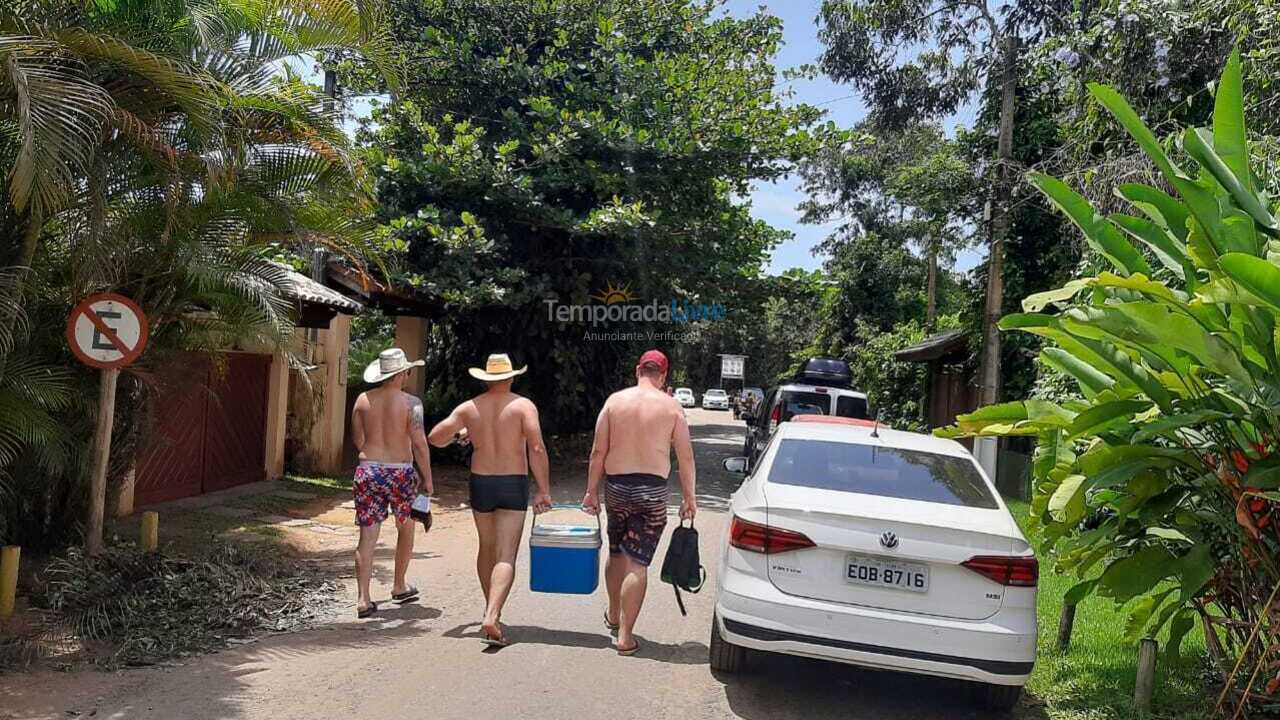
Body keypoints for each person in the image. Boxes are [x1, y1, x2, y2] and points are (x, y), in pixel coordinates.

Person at [429, 353, 552, 647]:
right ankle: (493, 614)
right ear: (510, 377)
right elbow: (536, 447)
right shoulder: (523, 406)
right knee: (506, 554)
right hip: (512, 481)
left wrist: (461, 434)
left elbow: (435, 437)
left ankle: (489, 610)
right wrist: (544, 489)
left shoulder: (470, 408)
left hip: (481, 482)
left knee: (486, 547)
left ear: (486, 379)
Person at [583, 349, 696, 656]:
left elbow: (597, 452)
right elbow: (685, 456)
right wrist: (689, 497)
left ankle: (613, 612)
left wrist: (591, 491)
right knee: (638, 562)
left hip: (617, 487)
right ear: (663, 376)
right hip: (652, 492)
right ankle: (626, 636)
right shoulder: (672, 408)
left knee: (617, 552)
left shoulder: (614, 402)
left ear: (637, 371)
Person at [350, 348, 434, 618]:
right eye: (408, 370)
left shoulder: (362, 400)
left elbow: (359, 441)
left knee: (367, 535)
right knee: (405, 527)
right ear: (402, 373)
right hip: (400, 471)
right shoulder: (412, 404)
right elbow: (420, 443)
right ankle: (399, 585)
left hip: (368, 469)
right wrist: (428, 480)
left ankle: (363, 599)